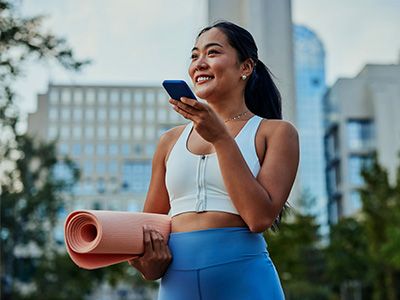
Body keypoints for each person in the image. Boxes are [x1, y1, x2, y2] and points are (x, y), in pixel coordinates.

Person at [129, 21, 299, 300]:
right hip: (177, 285)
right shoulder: (169, 141)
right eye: (195, 55)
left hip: (246, 280)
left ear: (245, 67)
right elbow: (150, 228)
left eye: (213, 53)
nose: (199, 63)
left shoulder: (276, 133)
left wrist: (221, 138)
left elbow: (259, 218)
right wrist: (147, 263)